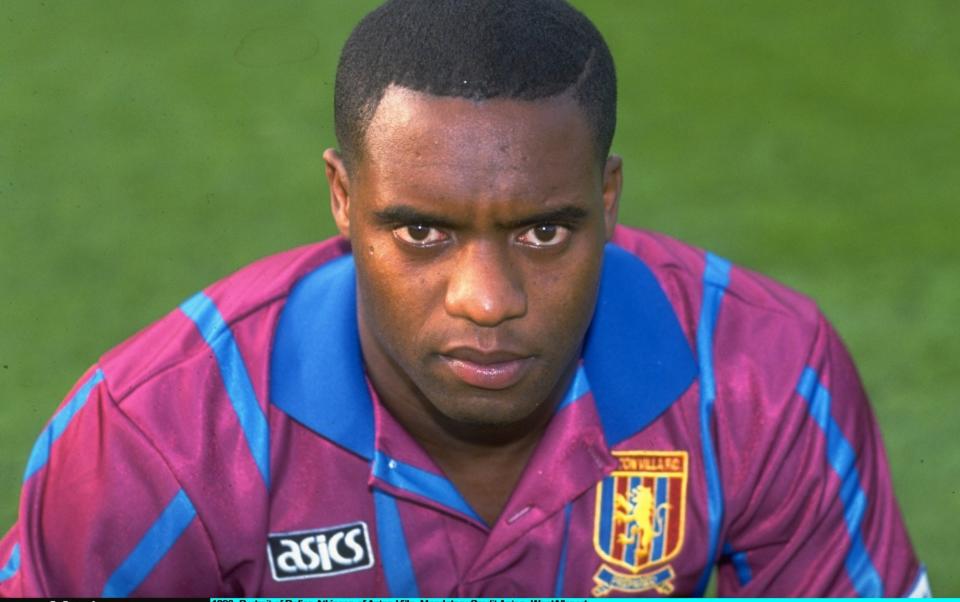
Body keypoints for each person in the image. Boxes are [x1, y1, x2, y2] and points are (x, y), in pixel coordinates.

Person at [0, 0, 928, 597]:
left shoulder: (764, 378)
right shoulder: (155, 438)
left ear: (607, 201)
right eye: (423, 232)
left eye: (542, 232)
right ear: (342, 197)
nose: (488, 302)